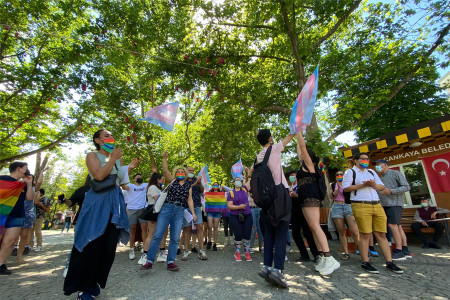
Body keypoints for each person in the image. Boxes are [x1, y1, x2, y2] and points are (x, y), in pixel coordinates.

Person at [63, 129, 130, 299]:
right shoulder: (92, 155)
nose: (110, 137)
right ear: (98, 140)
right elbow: (99, 175)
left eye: (111, 135)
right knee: (92, 242)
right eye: (106, 135)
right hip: (98, 202)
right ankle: (83, 288)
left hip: (115, 203)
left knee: (108, 247)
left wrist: (125, 166)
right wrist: (112, 159)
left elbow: (121, 181)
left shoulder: (117, 158)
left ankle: (93, 283)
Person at [343, 153, 403, 274]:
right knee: (365, 234)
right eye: (363, 159)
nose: (366, 161)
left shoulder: (371, 171)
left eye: (367, 159)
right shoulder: (350, 172)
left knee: (381, 234)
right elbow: (346, 188)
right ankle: (365, 261)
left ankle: (389, 262)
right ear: (356, 161)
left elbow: (381, 186)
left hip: (376, 203)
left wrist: (374, 185)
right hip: (360, 204)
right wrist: (363, 185)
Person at [140, 151, 196, 272]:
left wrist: (193, 213)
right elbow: (165, 171)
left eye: (182, 172)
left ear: (185, 174)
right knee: (158, 235)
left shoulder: (188, 186)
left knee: (175, 237)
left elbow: (190, 199)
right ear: (175, 174)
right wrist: (164, 159)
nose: (180, 173)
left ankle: (170, 261)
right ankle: (149, 261)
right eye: (178, 172)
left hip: (180, 210)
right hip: (166, 208)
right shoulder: (172, 181)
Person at [253, 129, 294, 289]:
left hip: (266, 199)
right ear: (269, 138)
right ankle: (278, 270)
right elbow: (289, 136)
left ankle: (267, 267)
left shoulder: (258, 157)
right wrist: (295, 128)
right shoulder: (274, 149)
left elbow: (251, 173)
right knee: (282, 232)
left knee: (269, 233)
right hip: (279, 194)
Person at [296, 131, 340, 276]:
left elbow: (302, 146)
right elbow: (299, 148)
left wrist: (299, 131)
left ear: (307, 155)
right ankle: (321, 256)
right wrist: (295, 135)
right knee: (312, 227)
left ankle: (329, 258)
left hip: (311, 198)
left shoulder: (310, 165)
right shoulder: (302, 165)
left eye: (303, 154)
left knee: (315, 226)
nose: (300, 155)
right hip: (304, 199)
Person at [0, 161, 34, 275]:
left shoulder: (23, 184)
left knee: (10, 241)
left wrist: (29, 184)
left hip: (17, 214)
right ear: (18, 169)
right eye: (25, 168)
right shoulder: (2, 179)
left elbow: (29, 199)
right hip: (2, 213)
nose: (27, 170)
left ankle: (1, 264)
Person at [375, 159, 411, 260]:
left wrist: (391, 191)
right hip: (384, 204)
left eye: (379, 165)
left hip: (395, 204)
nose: (377, 167)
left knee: (393, 225)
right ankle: (405, 249)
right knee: (398, 227)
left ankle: (398, 250)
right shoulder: (379, 177)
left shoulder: (395, 173)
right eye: (376, 165)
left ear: (385, 165)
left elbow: (406, 187)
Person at [287, 170, 319, 262]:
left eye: (293, 175)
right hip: (294, 213)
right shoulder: (290, 187)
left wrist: (296, 195)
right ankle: (304, 254)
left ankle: (316, 254)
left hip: (304, 211)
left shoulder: (301, 186)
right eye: (290, 176)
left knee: (307, 233)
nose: (292, 177)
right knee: (296, 234)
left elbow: (305, 197)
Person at [137, 172, 169, 265]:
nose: (163, 180)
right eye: (162, 178)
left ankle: (162, 252)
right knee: (151, 234)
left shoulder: (161, 188)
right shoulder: (152, 187)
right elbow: (157, 199)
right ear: (157, 179)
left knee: (164, 232)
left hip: (161, 211)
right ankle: (145, 254)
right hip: (153, 211)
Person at [16, 169, 46, 264]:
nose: (27, 179)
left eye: (30, 178)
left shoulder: (33, 189)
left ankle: (19, 255)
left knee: (24, 235)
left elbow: (40, 182)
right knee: (12, 235)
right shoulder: (17, 187)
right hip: (16, 213)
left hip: (28, 214)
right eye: (25, 177)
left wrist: (41, 172)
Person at [330, 170, 360, 261]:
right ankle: (346, 252)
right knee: (341, 231)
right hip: (337, 206)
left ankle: (361, 249)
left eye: (341, 174)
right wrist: (338, 188)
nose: (339, 176)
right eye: (337, 174)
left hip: (348, 206)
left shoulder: (349, 184)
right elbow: (331, 196)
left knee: (354, 231)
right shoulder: (332, 184)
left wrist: (343, 186)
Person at [181, 166, 207, 261]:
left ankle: (202, 250)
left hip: (196, 206)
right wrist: (194, 184)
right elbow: (185, 189)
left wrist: (199, 183)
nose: (191, 172)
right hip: (186, 207)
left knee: (200, 226)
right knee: (187, 228)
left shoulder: (196, 179)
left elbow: (202, 190)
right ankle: (186, 251)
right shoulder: (182, 180)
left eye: (192, 170)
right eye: (190, 170)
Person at [122, 173, 149, 260]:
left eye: (140, 177)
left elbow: (155, 183)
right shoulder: (131, 186)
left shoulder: (145, 185)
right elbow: (124, 187)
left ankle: (146, 249)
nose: (139, 178)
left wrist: (154, 172)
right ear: (134, 179)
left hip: (142, 209)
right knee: (132, 228)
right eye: (137, 177)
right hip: (132, 209)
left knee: (144, 228)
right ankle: (131, 249)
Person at [227, 173, 253, 262]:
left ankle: (247, 252)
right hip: (235, 216)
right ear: (234, 183)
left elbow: (251, 179)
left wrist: (247, 174)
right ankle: (237, 253)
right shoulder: (231, 193)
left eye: (240, 180)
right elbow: (229, 206)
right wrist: (239, 207)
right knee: (238, 234)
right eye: (237, 180)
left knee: (247, 234)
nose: (239, 182)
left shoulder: (245, 189)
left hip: (247, 215)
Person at [206, 182, 222, 251]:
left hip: (217, 213)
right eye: (214, 185)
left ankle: (215, 244)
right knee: (209, 226)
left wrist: (222, 190)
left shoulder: (221, 194)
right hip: (210, 212)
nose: (215, 186)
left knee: (215, 228)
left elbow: (225, 199)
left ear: (218, 186)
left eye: (217, 185)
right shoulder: (209, 193)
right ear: (212, 186)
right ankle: (209, 241)